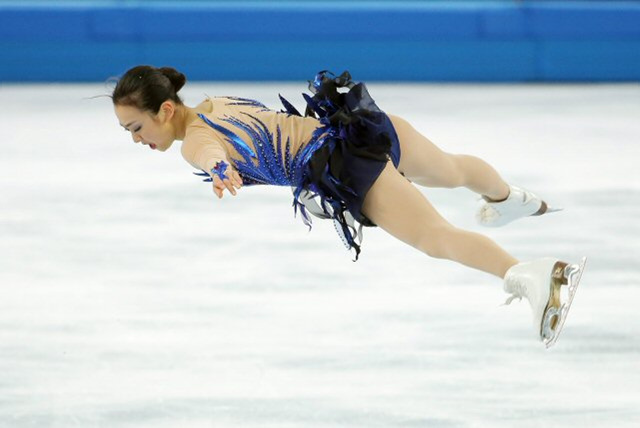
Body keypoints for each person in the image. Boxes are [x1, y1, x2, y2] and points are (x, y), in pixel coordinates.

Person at [111, 65, 586, 348]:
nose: (138, 140)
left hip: (347, 164)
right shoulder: (215, 103)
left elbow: (207, 152)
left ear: (166, 110)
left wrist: (218, 170)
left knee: (434, 238)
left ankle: (536, 276)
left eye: (136, 128)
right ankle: (510, 199)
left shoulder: (192, 140)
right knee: (451, 170)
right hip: (361, 126)